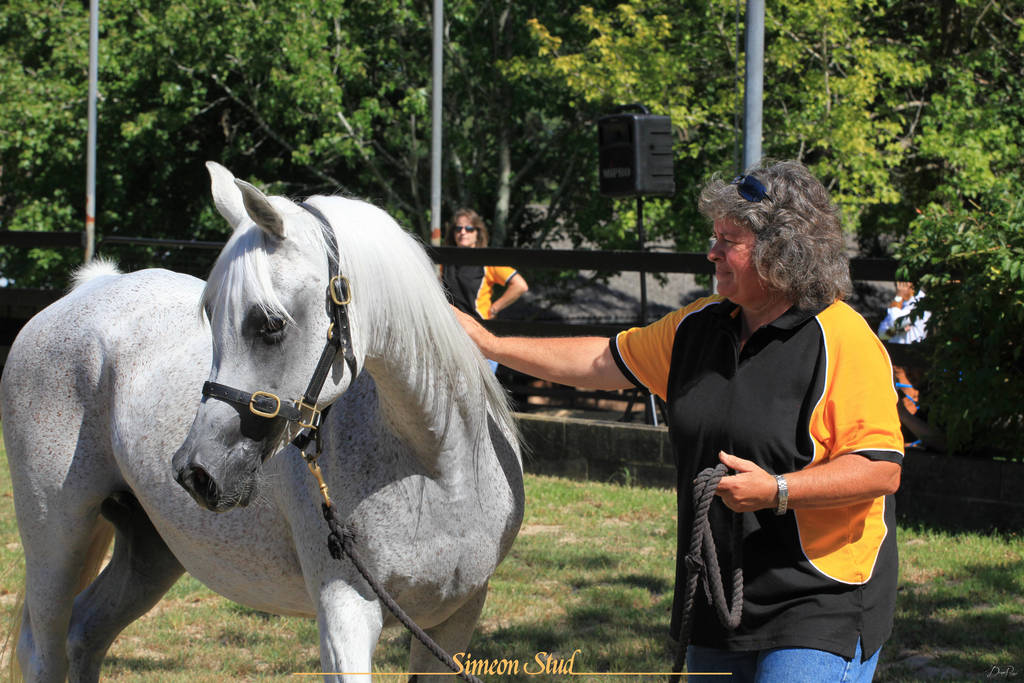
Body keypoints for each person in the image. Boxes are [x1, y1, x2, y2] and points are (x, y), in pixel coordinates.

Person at [454, 161, 903, 682]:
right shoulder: (698, 326)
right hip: (716, 591)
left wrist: (778, 490)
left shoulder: (842, 337)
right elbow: (601, 361)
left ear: (781, 250)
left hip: (822, 596)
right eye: (715, 237)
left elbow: (879, 469)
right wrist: (488, 344)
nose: (712, 252)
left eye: (728, 241)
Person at [441, 208, 528, 371]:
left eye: (469, 228)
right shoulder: (445, 263)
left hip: (480, 337)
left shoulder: (487, 261)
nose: (463, 232)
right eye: (458, 228)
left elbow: (520, 285)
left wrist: (495, 308)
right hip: (452, 337)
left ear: (477, 233)